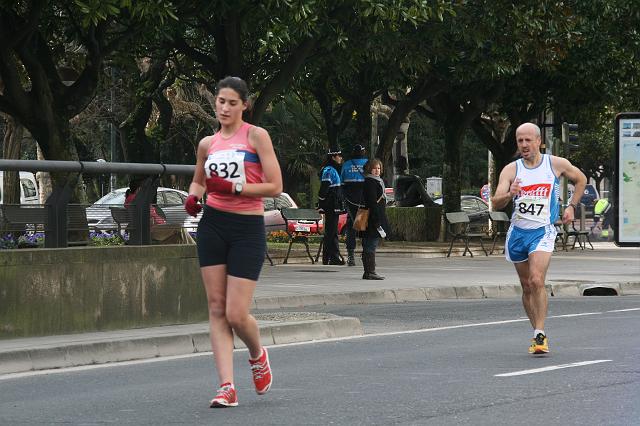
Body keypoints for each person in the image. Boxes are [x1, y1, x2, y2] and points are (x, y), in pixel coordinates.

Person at [183, 76, 282, 408]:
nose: (225, 108)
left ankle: (257, 353)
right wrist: (193, 198)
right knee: (215, 308)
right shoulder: (206, 144)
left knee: (236, 314)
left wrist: (236, 189)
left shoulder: (256, 136)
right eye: (220, 102)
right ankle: (226, 386)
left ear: (244, 105)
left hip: (247, 228)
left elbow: (275, 186)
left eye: (232, 103)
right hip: (213, 224)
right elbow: (199, 180)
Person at [492, 122, 586, 354]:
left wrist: (572, 206)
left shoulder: (555, 164)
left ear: (538, 141)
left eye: (528, 140)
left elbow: (581, 179)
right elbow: (496, 201)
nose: (524, 145)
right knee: (526, 286)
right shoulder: (511, 170)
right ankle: (537, 333)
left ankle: (540, 333)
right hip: (518, 233)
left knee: (536, 280)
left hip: (543, 231)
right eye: (520, 141)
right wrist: (509, 193)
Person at [124, 179, 194, 244]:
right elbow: (146, 217)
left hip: (156, 227)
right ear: (139, 189)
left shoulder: (133, 199)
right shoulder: (136, 200)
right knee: (179, 227)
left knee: (177, 237)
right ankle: (194, 249)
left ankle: (193, 249)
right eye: (144, 188)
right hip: (153, 229)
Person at [361, 159, 390, 280]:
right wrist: (376, 220)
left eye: (379, 168)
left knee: (370, 243)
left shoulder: (376, 181)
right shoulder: (370, 182)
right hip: (372, 218)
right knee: (370, 244)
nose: (377, 171)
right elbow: (372, 202)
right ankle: (370, 271)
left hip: (374, 216)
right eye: (374, 168)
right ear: (369, 169)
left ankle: (369, 271)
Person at [340, 144, 368, 266]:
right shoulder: (368, 163)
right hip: (364, 199)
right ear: (363, 152)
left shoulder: (346, 164)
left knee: (351, 227)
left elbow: (342, 184)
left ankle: (351, 257)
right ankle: (367, 255)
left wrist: (344, 199)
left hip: (350, 200)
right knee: (366, 226)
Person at [318, 149, 345, 265]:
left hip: (334, 204)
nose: (341, 158)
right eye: (339, 156)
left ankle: (333, 257)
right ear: (333, 157)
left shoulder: (333, 170)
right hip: (331, 205)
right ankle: (328, 257)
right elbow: (323, 190)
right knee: (330, 231)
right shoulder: (329, 170)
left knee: (333, 231)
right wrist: (321, 204)